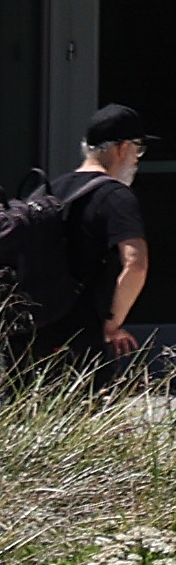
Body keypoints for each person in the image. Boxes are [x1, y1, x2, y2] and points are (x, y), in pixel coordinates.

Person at [8, 107, 153, 374]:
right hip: (82, 337)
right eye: (138, 149)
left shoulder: (48, 192)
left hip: (31, 330)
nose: (137, 159)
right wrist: (112, 322)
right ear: (122, 148)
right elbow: (136, 264)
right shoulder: (116, 196)